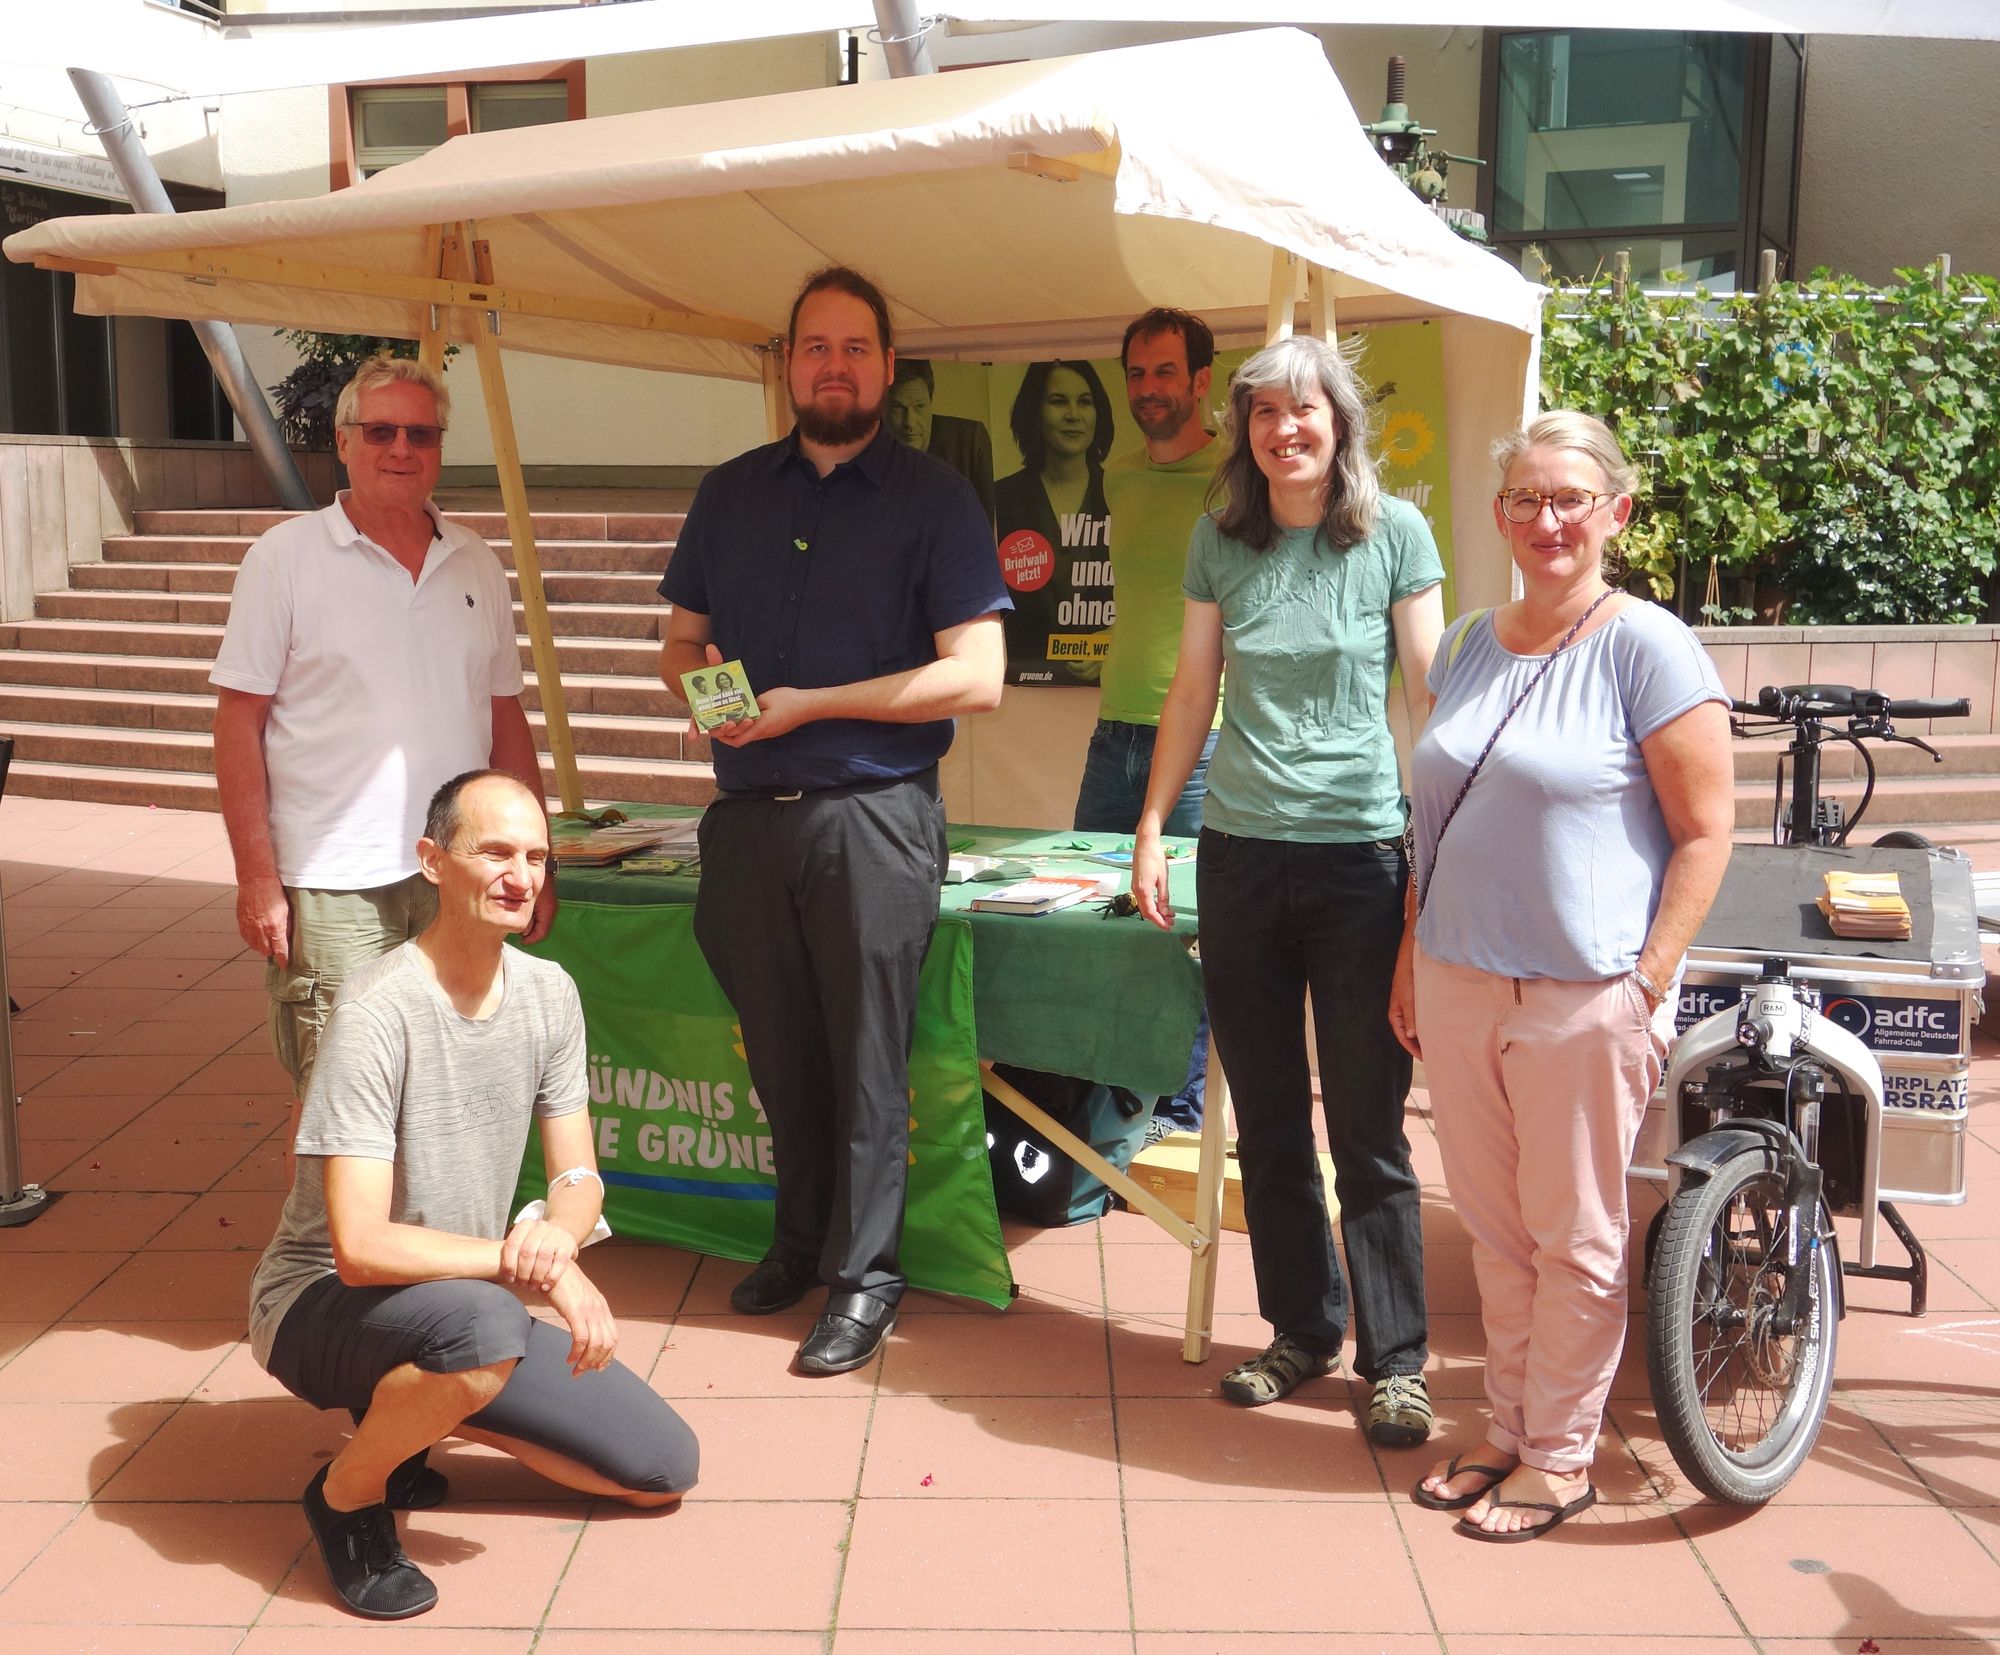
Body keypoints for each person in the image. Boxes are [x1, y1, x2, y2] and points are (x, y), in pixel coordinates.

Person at [657, 265, 1008, 1376]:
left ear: (887, 368)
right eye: (816, 346)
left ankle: (865, 1275)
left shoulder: (935, 499)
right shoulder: (729, 491)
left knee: (866, 1064)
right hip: (750, 819)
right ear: (788, 362)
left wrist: (815, 703)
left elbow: (979, 675)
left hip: (873, 815)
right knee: (778, 1054)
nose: (835, 366)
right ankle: (798, 1239)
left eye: (856, 348)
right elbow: (680, 639)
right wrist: (712, 697)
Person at [248, 769, 698, 1620]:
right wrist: (529, 1269)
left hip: (452, 1299)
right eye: (493, 850)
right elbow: (359, 1243)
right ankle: (349, 1491)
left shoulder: (548, 992)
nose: (519, 875)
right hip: (319, 1301)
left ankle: (418, 1409)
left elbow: (577, 1176)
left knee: (658, 1467)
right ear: (432, 861)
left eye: (536, 855)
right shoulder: (378, 1009)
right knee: (488, 1325)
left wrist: (557, 1242)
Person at [1395, 411, 1733, 1540]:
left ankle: (1560, 1453)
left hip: (1583, 992)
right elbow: (1430, 820)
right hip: (1455, 974)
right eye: (1527, 499)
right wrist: (1410, 952)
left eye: (1569, 500)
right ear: (1498, 515)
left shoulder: (1647, 644)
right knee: (1495, 1232)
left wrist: (1645, 980)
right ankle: (1504, 1428)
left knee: (1576, 1234)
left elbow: (1704, 831)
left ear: (1613, 515)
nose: (1547, 520)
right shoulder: (1463, 644)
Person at [1131, 334, 1441, 1448]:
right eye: (1262, 413)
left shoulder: (1393, 533)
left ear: (1338, 421)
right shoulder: (1222, 537)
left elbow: (1427, 693)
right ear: (1244, 432)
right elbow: (1190, 690)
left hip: (1360, 859)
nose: (1283, 429)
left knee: (1365, 1124)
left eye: (1302, 409)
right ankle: (1300, 1328)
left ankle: (1397, 1360)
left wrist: (1441, 846)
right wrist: (1154, 824)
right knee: (1263, 1119)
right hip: (1241, 857)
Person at [211, 352, 553, 1117]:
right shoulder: (283, 559)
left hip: (454, 877)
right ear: (342, 442)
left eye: (421, 434)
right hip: (336, 883)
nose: (402, 448)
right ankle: (320, 1245)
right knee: (346, 1105)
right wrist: (257, 876)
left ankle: (418, 1237)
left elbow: (505, 720)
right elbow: (238, 722)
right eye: (381, 430)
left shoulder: (475, 560)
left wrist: (535, 856)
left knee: (451, 1091)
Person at [1075, 307, 1221, 1141]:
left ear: (1201, 380)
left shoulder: (1235, 478)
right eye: (1136, 373)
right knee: (1091, 917)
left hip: (1202, 744)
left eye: (1165, 372)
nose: (1148, 389)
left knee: (1188, 932)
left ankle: (1184, 1109)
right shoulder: (1119, 475)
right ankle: (1110, 1101)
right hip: (1113, 734)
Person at [994, 358, 1115, 686]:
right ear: (1035, 412)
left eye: (1085, 402)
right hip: (1020, 692)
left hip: (1108, 692)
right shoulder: (999, 500)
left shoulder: (1122, 493)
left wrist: (1114, 640)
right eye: (1058, 401)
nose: (1074, 415)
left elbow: (1155, 594)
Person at [888, 356, 996, 531]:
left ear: (931, 403)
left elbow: (990, 525)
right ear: (883, 408)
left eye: (919, 407)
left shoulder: (971, 440)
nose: (909, 421)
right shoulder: (870, 451)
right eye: (898, 408)